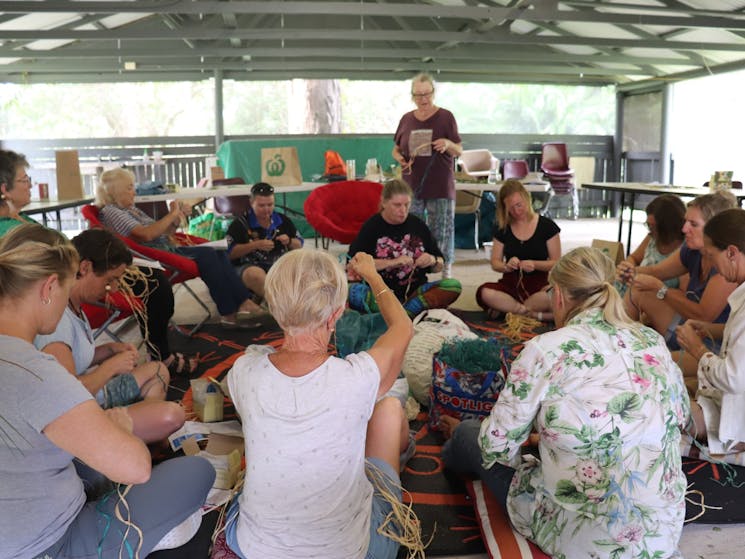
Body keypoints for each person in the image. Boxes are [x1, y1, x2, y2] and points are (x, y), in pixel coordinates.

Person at [441, 246, 690, 559]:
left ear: (557, 295)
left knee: (467, 434)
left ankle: (448, 445)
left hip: (581, 538)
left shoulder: (546, 349)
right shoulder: (653, 341)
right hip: (661, 532)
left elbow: (497, 447)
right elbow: (679, 420)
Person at [0, 223, 215, 559]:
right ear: (49, 287)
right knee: (196, 472)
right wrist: (117, 425)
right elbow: (136, 467)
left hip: (26, 515)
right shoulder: (36, 372)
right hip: (46, 545)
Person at [223, 249, 421, 559]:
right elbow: (402, 328)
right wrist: (371, 274)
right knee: (391, 409)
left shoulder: (243, 371)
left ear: (274, 309)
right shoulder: (359, 377)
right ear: (337, 314)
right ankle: (399, 459)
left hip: (254, 548)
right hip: (352, 550)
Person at [0, 149, 197, 374]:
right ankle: (161, 354)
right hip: (65, 285)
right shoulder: (8, 231)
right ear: (4, 189)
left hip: (76, 271)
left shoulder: (21, 219)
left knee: (155, 280)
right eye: (25, 180)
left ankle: (160, 353)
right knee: (155, 283)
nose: (30, 185)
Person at [34, 227, 185, 444]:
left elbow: (73, 357)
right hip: (80, 413)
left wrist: (110, 351)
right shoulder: (57, 321)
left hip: (93, 398)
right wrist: (111, 367)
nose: (113, 288)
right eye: (110, 279)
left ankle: (138, 432)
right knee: (172, 415)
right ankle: (130, 436)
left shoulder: (73, 306)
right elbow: (66, 396)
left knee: (159, 370)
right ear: (85, 267)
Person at [96, 167, 264, 327]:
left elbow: (162, 233)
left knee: (216, 252)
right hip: (152, 257)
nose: (134, 191)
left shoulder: (130, 210)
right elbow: (145, 235)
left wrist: (176, 219)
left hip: (163, 249)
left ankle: (242, 303)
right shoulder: (112, 211)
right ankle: (230, 311)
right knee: (208, 255)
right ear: (115, 191)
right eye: (129, 188)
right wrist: (171, 215)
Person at [619, 191, 737, 350]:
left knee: (655, 364)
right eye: (685, 222)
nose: (684, 229)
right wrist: (629, 271)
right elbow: (655, 271)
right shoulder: (692, 251)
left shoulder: (725, 268)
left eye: (693, 224)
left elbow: (703, 316)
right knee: (637, 290)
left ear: (714, 229)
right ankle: (619, 342)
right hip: (688, 328)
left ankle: (627, 351)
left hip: (712, 344)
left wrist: (661, 290)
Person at [677, 208, 745, 454]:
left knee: (667, 411)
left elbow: (733, 379)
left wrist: (697, 348)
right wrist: (712, 330)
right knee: (681, 388)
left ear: (732, 252)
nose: (713, 264)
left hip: (738, 420)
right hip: (732, 403)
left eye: (712, 255)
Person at [348, 178, 462, 317]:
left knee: (453, 286)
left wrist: (432, 260)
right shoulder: (372, 226)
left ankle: (400, 314)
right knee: (353, 292)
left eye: (407, 205)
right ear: (384, 202)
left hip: (414, 293)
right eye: (397, 205)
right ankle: (405, 313)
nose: (403, 210)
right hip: (381, 292)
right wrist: (393, 262)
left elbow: (439, 264)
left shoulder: (418, 225)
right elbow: (354, 264)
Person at [393, 72, 462, 278]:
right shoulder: (406, 119)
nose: (423, 99)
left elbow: (458, 150)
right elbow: (395, 148)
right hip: (411, 185)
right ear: (412, 96)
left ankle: (444, 271)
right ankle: (411, 269)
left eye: (427, 94)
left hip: (439, 184)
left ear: (433, 93)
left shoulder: (446, 117)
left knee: (442, 230)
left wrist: (448, 144)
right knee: (411, 229)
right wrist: (399, 157)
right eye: (418, 95)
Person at [476, 179, 560, 321]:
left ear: (527, 199)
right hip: (510, 285)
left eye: (519, 205)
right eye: (511, 208)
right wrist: (507, 266)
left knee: (556, 295)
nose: (516, 211)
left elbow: (557, 263)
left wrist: (534, 264)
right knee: (484, 292)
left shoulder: (547, 226)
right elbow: (495, 263)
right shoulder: (502, 228)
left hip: (538, 286)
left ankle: (509, 311)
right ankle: (526, 313)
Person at [226, 181, 303, 300]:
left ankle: (281, 303)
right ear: (251, 203)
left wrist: (289, 241)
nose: (267, 210)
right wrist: (255, 245)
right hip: (249, 266)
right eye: (261, 206)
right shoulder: (240, 224)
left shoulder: (282, 220)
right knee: (255, 275)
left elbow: (299, 245)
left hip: (279, 265)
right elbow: (230, 254)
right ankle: (280, 305)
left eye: (270, 205)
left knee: (304, 271)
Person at [616, 193, 686, 296]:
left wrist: (657, 288)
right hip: (629, 292)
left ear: (667, 227)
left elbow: (682, 294)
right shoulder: (652, 238)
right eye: (648, 225)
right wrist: (627, 267)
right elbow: (634, 258)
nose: (650, 230)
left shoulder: (685, 251)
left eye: (654, 226)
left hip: (652, 300)